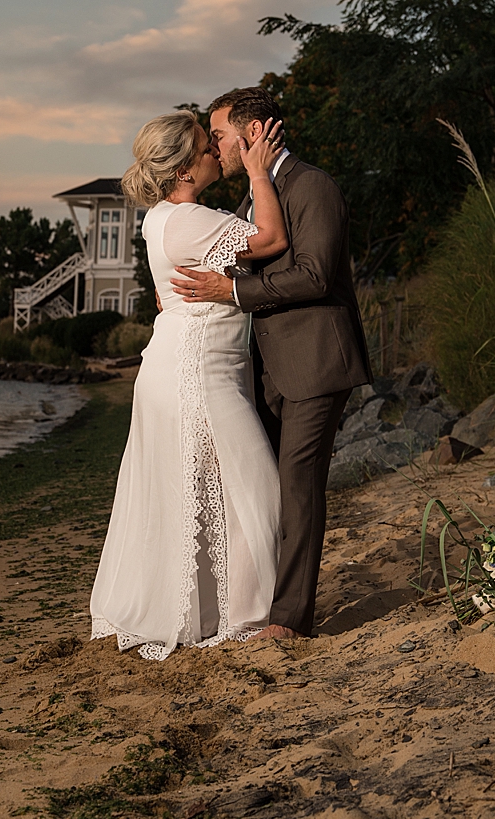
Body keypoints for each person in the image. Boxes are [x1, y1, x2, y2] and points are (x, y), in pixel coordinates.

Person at [172, 87, 373, 640]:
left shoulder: (313, 185)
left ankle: (289, 622)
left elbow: (314, 275)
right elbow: (226, 252)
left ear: (253, 132)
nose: (214, 146)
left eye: (218, 135)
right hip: (265, 370)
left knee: (298, 486)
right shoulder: (251, 200)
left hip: (314, 362)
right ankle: (255, 603)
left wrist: (231, 291)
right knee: (264, 486)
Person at [90, 110, 289, 659]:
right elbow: (270, 239)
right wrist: (260, 172)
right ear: (182, 168)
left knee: (191, 489)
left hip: (178, 362)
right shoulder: (192, 219)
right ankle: (247, 615)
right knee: (254, 488)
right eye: (206, 147)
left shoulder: (159, 217)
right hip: (198, 372)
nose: (214, 153)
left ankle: (207, 611)